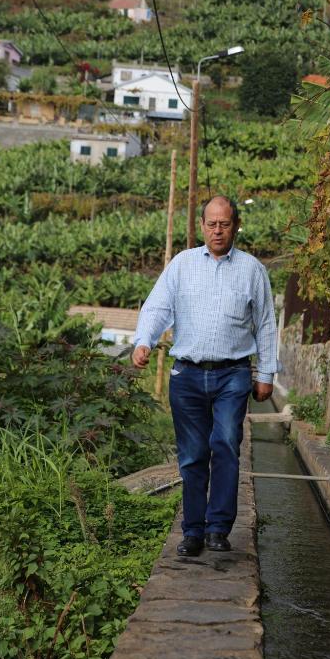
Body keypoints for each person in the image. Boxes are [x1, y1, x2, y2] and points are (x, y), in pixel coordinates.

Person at [132, 195, 278, 557]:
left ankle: (217, 528)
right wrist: (143, 342)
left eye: (224, 224)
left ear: (235, 226)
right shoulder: (181, 265)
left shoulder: (252, 269)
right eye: (211, 224)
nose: (217, 231)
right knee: (192, 454)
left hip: (233, 374)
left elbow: (266, 324)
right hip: (188, 376)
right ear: (202, 226)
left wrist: (267, 374)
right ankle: (193, 530)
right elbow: (157, 307)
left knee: (227, 444)